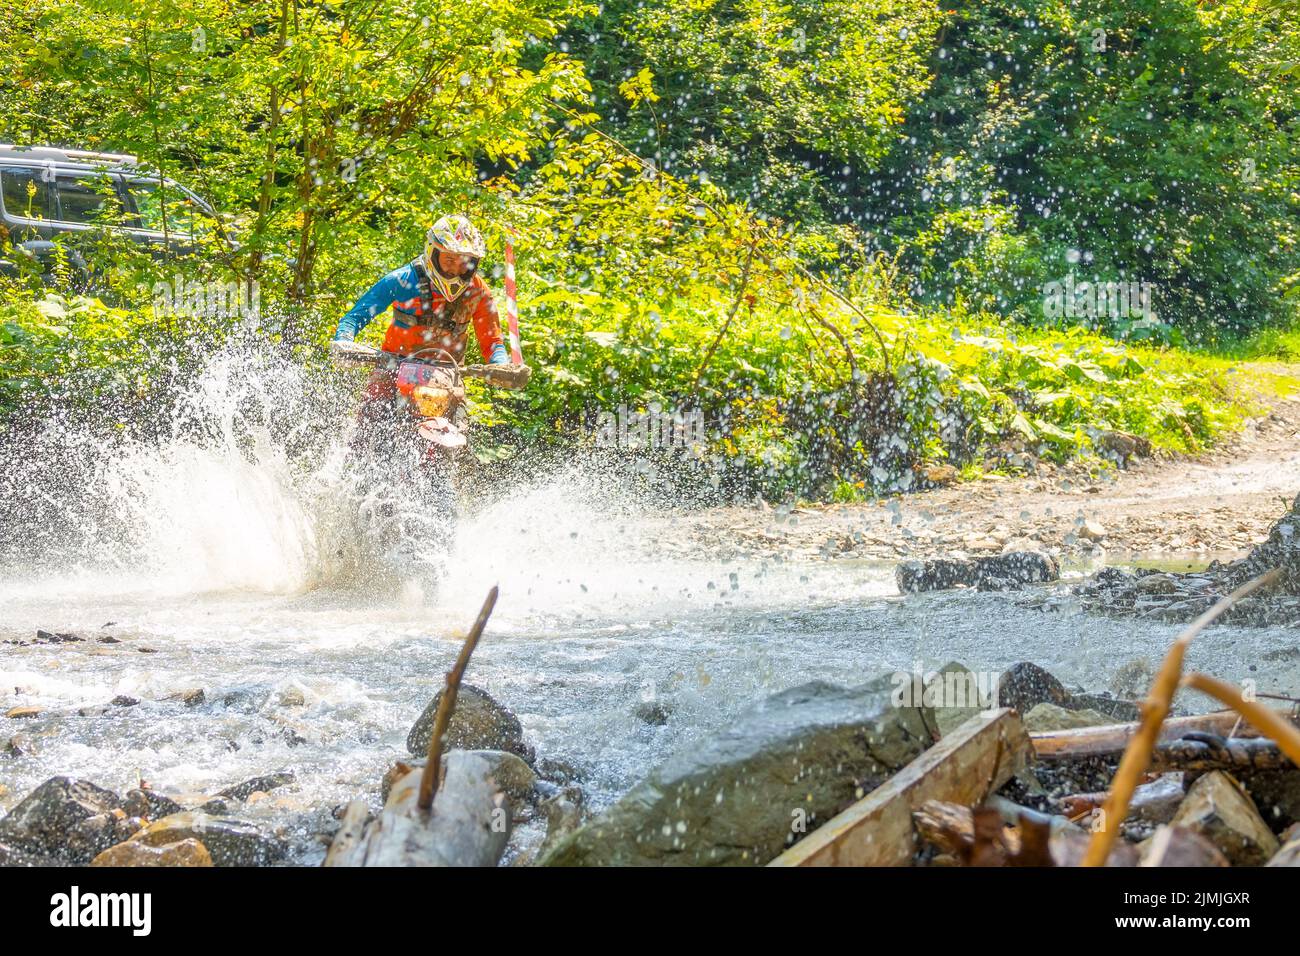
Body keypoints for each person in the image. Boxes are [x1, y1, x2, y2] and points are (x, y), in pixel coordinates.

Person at [332, 213, 509, 365]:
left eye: (464, 262)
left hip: (447, 374)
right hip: (393, 365)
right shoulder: (402, 280)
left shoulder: (477, 292)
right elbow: (355, 318)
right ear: (433, 253)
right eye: (449, 260)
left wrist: (501, 365)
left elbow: (493, 341)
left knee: (459, 405)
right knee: (374, 400)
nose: (455, 269)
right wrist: (344, 340)